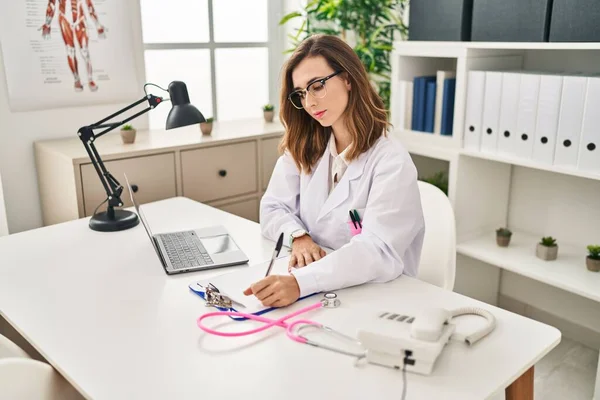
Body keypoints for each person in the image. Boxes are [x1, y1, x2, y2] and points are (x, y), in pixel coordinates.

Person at [243, 34, 425, 307]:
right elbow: (272, 208)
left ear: (348, 78)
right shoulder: (305, 146)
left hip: (376, 298)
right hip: (321, 292)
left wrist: (300, 284)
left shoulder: (390, 162)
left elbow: (377, 250)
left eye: (317, 86)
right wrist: (299, 237)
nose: (309, 103)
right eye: (301, 93)